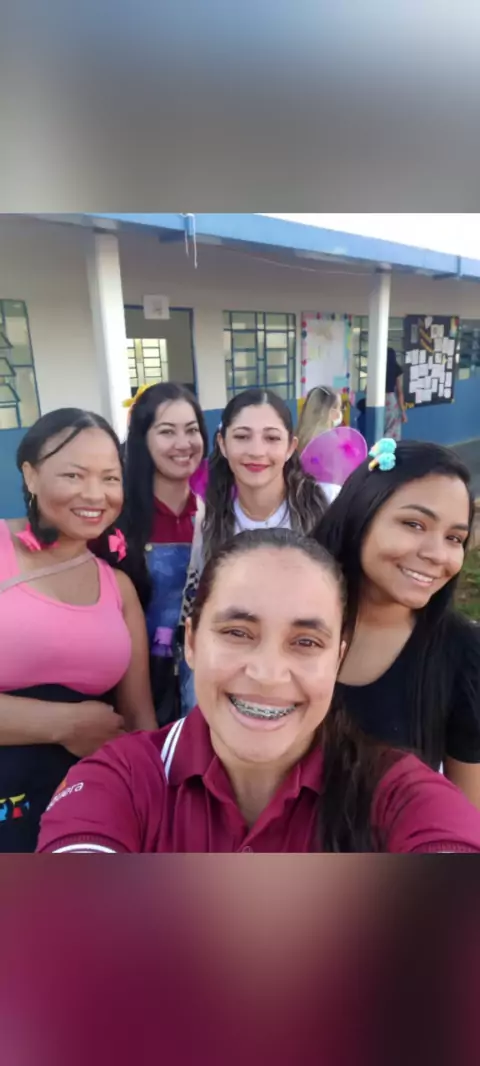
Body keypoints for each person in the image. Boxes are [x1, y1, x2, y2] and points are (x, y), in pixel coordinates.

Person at [37, 528, 480, 854]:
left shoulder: (397, 793)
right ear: (191, 642)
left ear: (337, 659)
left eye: (306, 642)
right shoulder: (120, 780)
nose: (268, 673)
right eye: (237, 632)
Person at [0, 408, 156, 852]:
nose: (95, 494)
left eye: (110, 478)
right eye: (73, 475)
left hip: (85, 807)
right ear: (30, 475)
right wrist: (64, 723)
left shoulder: (118, 586)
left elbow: (139, 720)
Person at [315, 437, 480, 808]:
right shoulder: (287, 618)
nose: (437, 554)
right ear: (361, 513)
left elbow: (466, 817)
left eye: (454, 537)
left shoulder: (463, 654)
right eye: (414, 524)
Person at [122, 382, 209, 725]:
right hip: (133, 688)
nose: (183, 443)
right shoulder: (117, 522)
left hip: (199, 686)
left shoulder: (214, 517)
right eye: (167, 432)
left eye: (192, 430)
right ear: (142, 439)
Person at [203, 388, 327, 562]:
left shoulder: (327, 504)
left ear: (290, 448)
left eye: (272, 438)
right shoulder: (207, 520)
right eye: (242, 437)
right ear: (222, 445)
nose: (257, 452)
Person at [296, 386, 343, 455]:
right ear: (331, 410)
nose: (340, 412)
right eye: (339, 407)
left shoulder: (300, 435)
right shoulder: (330, 438)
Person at [385, 347, 407, 440]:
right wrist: (403, 412)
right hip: (390, 400)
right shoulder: (396, 369)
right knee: (393, 428)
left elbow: (366, 390)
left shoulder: (377, 369)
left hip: (376, 400)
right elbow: (400, 392)